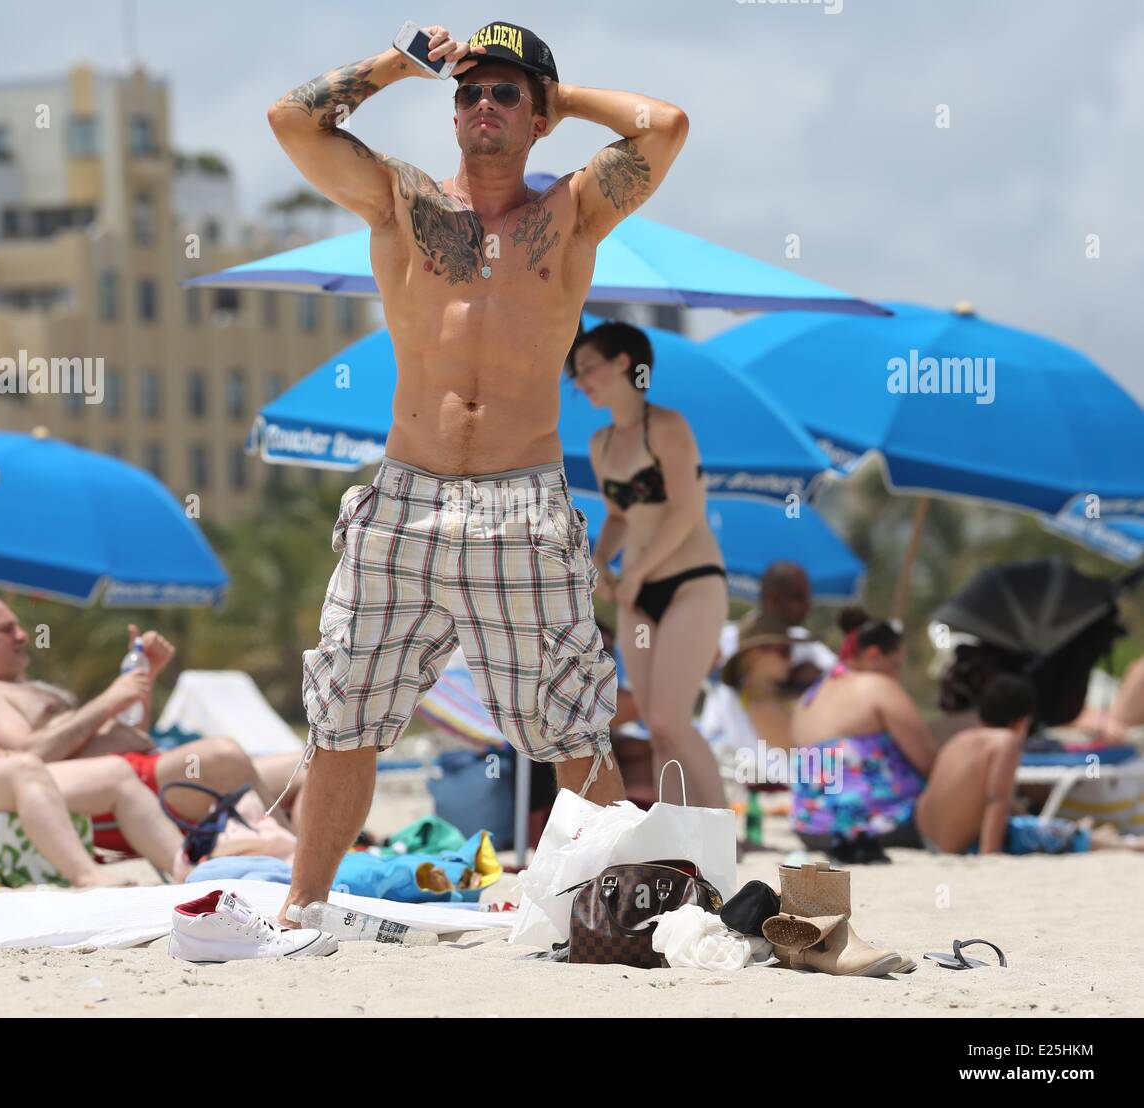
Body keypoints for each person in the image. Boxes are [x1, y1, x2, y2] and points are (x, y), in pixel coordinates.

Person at [266, 20, 688, 921]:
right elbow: (293, 122)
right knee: (345, 712)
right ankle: (303, 909)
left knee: (570, 722)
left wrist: (561, 93)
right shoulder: (402, 200)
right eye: (469, 92)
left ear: (537, 117)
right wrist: (397, 64)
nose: (482, 105)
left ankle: (616, 912)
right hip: (403, 500)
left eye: (504, 93)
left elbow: (665, 127)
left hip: (521, 502)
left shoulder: (571, 211)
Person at [0, 596, 300, 833]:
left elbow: (130, 733)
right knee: (223, 754)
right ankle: (296, 863)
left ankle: (326, 866)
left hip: (144, 772)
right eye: (7, 630)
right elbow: (27, 758)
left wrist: (143, 680)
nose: (23, 635)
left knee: (307, 764)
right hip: (104, 793)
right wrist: (109, 699)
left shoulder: (23, 688)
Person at [570, 321, 728, 808]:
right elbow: (620, 515)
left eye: (588, 368)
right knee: (657, 728)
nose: (581, 382)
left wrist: (636, 573)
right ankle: (681, 837)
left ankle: (723, 830)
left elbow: (685, 512)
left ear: (623, 364)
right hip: (637, 595)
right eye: (575, 374)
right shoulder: (600, 443)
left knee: (668, 720)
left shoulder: (667, 426)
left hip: (692, 582)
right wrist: (600, 557)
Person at [916, 675, 1144, 854]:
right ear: (1022, 721)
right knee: (1060, 836)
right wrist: (989, 855)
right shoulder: (1005, 741)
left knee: (1028, 822)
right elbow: (997, 800)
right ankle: (1118, 844)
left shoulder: (960, 739)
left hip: (930, 841)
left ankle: (1088, 831)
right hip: (965, 847)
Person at [790, 607, 937, 852]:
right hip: (878, 828)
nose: (897, 676)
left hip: (811, 830)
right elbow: (929, 763)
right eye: (896, 665)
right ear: (874, 655)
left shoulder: (807, 699)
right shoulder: (878, 686)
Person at [700, 612, 799, 784]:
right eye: (784, 651)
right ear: (754, 654)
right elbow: (795, 744)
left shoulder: (758, 697)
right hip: (779, 792)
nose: (790, 659)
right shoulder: (757, 701)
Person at [719, 563, 836, 695]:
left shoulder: (807, 645)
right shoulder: (725, 640)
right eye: (798, 597)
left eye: (785, 651)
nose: (808, 605)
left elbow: (836, 672)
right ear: (773, 598)